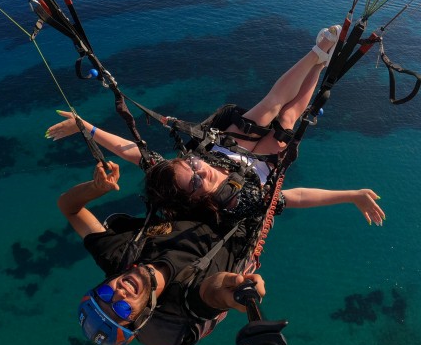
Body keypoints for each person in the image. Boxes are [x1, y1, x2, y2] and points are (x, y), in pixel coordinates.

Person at [46, 25, 386, 227]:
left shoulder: (178, 170)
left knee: (269, 107)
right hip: (261, 166)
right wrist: (350, 196)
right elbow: (291, 198)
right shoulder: (238, 203)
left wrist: (85, 127)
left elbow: (130, 150)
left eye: (190, 166)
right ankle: (321, 65)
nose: (200, 171)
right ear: (196, 198)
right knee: (289, 118)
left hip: (226, 142)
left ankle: (317, 50)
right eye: (195, 181)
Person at [59, 160, 265, 345]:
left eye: (104, 294)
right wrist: (234, 290)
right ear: (141, 318)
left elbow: (68, 208)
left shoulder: (119, 257)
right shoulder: (185, 299)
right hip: (247, 213)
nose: (118, 295)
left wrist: (96, 188)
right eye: (122, 310)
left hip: (206, 197)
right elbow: (213, 291)